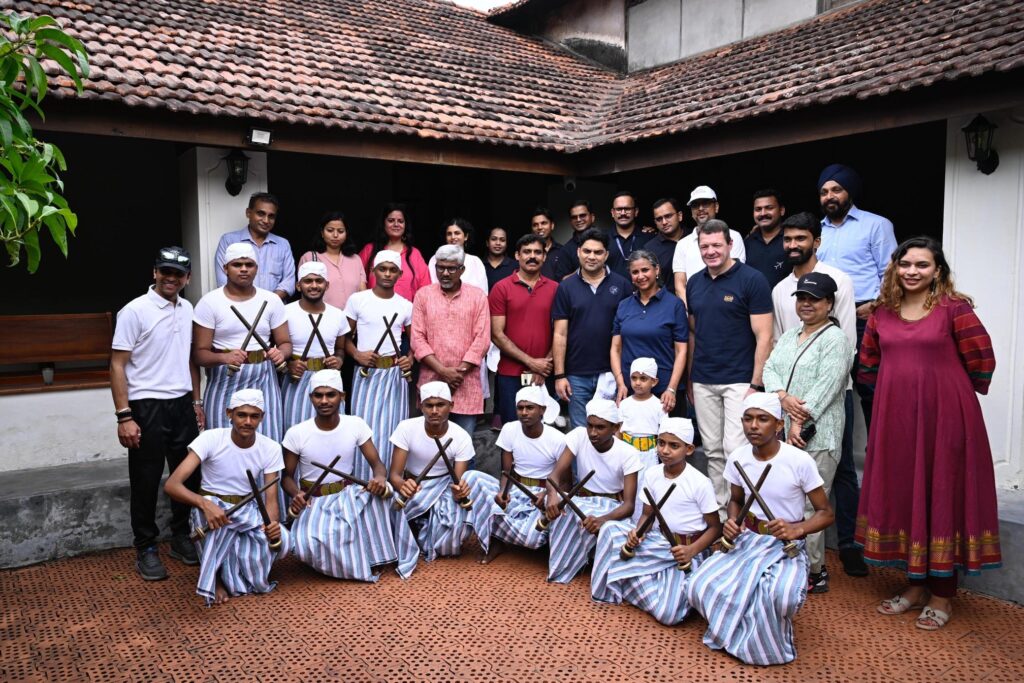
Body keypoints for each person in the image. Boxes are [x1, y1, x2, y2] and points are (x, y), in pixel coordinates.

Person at [856, 237, 1000, 631]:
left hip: (946, 418)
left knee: (941, 493)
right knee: (907, 494)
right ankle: (916, 587)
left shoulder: (954, 310)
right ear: (895, 268)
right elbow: (867, 362)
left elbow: (981, 359)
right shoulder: (881, 313)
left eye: (922, 264)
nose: (913, 271)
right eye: (906, 264)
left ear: (938, 271)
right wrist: (896, 391)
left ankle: (942, 595)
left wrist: (943, 391)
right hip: (896, 420)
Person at [687, 392, 834, 666]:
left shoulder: (799, 461)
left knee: (781, 596)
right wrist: (733, 521)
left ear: (779, 425)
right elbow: (736, 500)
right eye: (748, 419)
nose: (753, 426)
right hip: (747, 540)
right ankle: (735, 631)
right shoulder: (738, 458)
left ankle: (767, 643)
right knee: (698, 584)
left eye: (763, 419)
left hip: (784, 547)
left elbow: (826, 514)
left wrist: (797, 530)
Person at [772, 211, 866, 577]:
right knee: (796, 478)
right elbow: (780, 349)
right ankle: (802, 557)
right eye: (788, 239)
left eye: (801, 239)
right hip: (790, 401)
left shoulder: (839, 280)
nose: (794, 245)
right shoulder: (781, 289)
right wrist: (782, 397)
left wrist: (800, 412)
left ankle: (847, 546)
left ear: (817, 240)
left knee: (836, 471)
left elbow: (845, 345)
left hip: (828, 397)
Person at [110, 246, 205, 580]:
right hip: (146, 406)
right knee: (146, 479)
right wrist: (124, 415)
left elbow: (189, 360)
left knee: (188, 474)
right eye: (166, 271)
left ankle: (181, 536)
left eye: (178, 273)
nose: (171, 278)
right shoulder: (134, 311)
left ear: (187, 278)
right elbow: (117, 364)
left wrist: (196, 403)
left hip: (181, 403)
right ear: (154, 272)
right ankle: (146, 547)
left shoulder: (188, 307)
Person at [763, 273, 854, 593]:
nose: (806, 304)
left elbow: (828, 387)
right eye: (802, 298)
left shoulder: (836, 339)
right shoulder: (790, 335)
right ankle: (790, 560)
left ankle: (814, 570)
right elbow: (769, 369)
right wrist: (783, 397)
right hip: (787, 430)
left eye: (814, 299)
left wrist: (800, 418)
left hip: (819, 434)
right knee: (788, 500)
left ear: (829, 304)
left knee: (812, 505)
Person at [282, 370, 416, 581]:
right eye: (318, 395)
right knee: (305, 544)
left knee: (385, 495)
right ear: (311, 398)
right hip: (314, 500)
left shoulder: (355, 424)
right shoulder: (297, 433)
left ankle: (376, 555)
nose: (324, 401)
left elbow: (378, 465)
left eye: (330, 395)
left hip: (347, 495)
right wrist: (296, 493)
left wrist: (380, 478)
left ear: (342, 397)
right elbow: (286, 478)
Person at [164, 389, 290, 606]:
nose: (248, 421)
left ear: (262, 417)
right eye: (242, 415)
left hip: (245, 509)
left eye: (254, 416)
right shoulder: (210, 438)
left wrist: (272, 525)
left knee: (283, 540)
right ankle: (214, 579)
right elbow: (172, 485)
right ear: (229, 413)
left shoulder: (270, 447)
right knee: (213, 524)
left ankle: (230, 568)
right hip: (211, 506)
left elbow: (270, 498)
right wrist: (204, 504)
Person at [591, 417, 720, 625]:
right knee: (610, 530)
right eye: (661, 443)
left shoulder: (700, 483)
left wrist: (692, 550)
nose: (665, 450)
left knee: (668, 615)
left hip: (684, 551)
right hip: (655, 542)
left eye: (674, 446)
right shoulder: (651, 474)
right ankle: (634, 580)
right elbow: (646, 515)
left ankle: (626, 581)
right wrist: (638, 532)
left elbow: (715, 528)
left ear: (689, 449)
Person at [686, 220, 773, 511]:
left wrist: (756, 384)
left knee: (736, 449)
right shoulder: (694, 282)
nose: (710, 251)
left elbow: (765, 336)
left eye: (716, 245)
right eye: (704, 246)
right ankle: (721, 515)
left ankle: (745, 514)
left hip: (740, 380)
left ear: (730, 245)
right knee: (712, 451)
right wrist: (690, 379)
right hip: (704, 378)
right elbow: (694, 333)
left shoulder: (752, 279)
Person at [815, 163, 897, 433]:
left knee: (869, 386)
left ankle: (879, 455)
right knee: (827, 387)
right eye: (824, 191)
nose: (830, 196)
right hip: (824, 319)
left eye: (836, 190)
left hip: (864, 317)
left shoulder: (876, 225)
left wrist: (875, 306)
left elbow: (891, 273)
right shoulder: (817, 232)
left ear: (850, 192)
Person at [388, 382, 496, 566]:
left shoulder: (461, 436)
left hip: (443, 486)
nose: (434, 411)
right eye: (429, 406)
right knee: (388, 505)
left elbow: (457, 481)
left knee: (453, 536)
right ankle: (419, 523)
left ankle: (423, 525)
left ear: (451, 406)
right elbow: (394, 475)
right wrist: (402, 485)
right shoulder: (406, 428)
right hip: (414, 484)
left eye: (440, 405)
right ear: (421, 406)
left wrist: (458, 492)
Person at [193, 242, 290, 442]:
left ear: (256, 268)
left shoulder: (271, 300)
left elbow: (285, 343)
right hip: (225, 379)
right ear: (225, 268)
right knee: (222, 443)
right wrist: (224, 357)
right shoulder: (210, 302)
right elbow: (199, 354)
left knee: (267, 440)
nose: (244, 269)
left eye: (249, 264)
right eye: (237, 264)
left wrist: (281, 353)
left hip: (264, 378)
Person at [545, 398, 643, 584]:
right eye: (589, 425)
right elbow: (554, 476)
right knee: (558, 503)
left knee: (608, 529)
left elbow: (629, 506)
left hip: (611, 507)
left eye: (600, 427)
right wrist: (551, 495)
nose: (592, 432)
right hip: (581, 502)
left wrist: (602, 520)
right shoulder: (579, 436)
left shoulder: (628, 453)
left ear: (616, 428)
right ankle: (564, 566)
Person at [344, 251, 414, 480]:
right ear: (373, 271)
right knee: (365, 430)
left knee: (393, 430)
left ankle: (391, 487)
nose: (387, 273)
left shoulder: (405, 305)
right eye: (382, 269)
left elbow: (415, 342)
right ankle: (364, 484)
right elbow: (343, 337)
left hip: (394, 376)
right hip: (367, 374)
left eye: (392, 270)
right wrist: (357, 354)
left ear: (400, 274)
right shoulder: (358, 300)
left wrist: (410, 358)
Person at [551, 228, 630, 428]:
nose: (592, 256)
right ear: (578, 252)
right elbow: (560, 334)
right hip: (576, 374)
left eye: (597, 252)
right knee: (580, 433)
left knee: (611, 433)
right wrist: (560, 376)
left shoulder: (622, 285)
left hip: (611, 373)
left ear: (606, 255)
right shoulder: (566, 287)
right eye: (587, 251)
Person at [477, 385, 565, 564]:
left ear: (542, 410)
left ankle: (500, 531)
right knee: (472, 478)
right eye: (520, 408)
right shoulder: (510, 429)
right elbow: (506, 471)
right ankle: (497, 540)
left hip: (541, 496)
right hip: (516, 489)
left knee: (533, 539)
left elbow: (566, 483)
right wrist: (503, 493)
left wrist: (548, 494)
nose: (524, 412)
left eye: (530, 408)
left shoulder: (558, 439)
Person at [412, 245, 490, 434]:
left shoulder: (477, 296)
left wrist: (458, 373)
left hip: (465, 382)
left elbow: (482, 339)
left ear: (462, 270)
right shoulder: (423, 295)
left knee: (463, 446)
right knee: (431, 442)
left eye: (451, 268)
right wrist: (442, 371)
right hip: (431, 381)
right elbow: (417, 339)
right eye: (440, 268)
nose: (445, 273)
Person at [489, 234, 558, 424]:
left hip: (545, 373)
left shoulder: (555, 289)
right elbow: (496, 334)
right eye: (527, 252)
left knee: (543, 433)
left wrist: (543, 366)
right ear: (517, 256)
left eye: (538, 252)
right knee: (512, 431)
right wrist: (531, 362)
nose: (532, 256)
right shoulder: (501, 288)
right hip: (510, 374)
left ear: (545, 257)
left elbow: (561, 332)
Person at [611, 250, 687, 415]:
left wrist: (672, 389)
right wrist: (621, 384)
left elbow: (681, 351)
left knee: (670, 439)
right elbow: (615, 349)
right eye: (635, 272)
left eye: (645, 270)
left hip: (665, 392)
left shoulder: (674, 304)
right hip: (631, 391)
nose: (640, 276)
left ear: (657, 270)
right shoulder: (624, 305)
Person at [280, 261, 350, 432]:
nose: (314, 285)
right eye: (308, 281)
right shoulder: (284, 312)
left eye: (319, 281)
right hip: (296, 379)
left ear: (327, 285)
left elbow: (340, 349)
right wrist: (288, 365)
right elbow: (276, 347)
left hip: (329, 379)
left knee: (331, 431)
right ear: (298, 285)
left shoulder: (338, 315)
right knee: (295, 430)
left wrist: (339, 360)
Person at [672, 186, 746, 302]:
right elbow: (679, 286)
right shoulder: (682, 244)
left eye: (705, 203)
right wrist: (692, 311)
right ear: (691, 212)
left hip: (728, 306)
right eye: (695, 205)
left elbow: (736, 276)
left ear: (716, 207)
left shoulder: (733, 236)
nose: (700, 208)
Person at [214, 192, 294, 300]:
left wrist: (267, 303)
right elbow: (222, 280)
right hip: (237, 308)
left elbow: (289, 282)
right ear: (248, 213)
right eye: (261, 214)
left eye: (271, 216)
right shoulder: (228, 241)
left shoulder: (283, 244)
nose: (266, 220)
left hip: (273, 310)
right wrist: (248, 304)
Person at [358, 203, 431, 302]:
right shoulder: (369, 250)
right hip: (373, 313)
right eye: (391, 220)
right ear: (383, 223)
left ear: (405, 225)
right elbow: (357, 280)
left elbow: (425, 289)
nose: (396, 224)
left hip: (407, 315)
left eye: (400, 221)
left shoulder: (414, 254)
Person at [297, 210, 366, 310]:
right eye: (330, 230)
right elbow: (304, 291)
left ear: (346, 233)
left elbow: (362, 292)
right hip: (321, 318)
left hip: (352, 320)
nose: (335, 235)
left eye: (340, 231)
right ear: (322, 233)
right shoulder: (310, 258)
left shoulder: (355, 259)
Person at [618, 358, 667, 472]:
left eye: (643, 378)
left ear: (654, 382)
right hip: (627, 453)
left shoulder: (659, 405)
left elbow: (663, 432)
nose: (638, 382)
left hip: (650, 455)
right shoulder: (624, 404)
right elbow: (619, 430)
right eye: (634, 378)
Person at [744, 189, 792, 288]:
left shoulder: (791, 240)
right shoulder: (747, 242)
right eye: (758, 209)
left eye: (769, 208)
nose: (763, 213)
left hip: (785, 301)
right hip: (753, 302)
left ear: (782, 210)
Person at [427, 218, 489, 292]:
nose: (453, 237)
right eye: (449, 234)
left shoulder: (475, 262)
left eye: (457, 233)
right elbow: (431, 288)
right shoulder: (436, 259)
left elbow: (483, 292)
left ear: (466, 237)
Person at [606, 191, 652, 279]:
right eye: (619, 209)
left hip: (642, 291)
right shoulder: (602, 239)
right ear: (612, 212)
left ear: (636, 211)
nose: (623, 213)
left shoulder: (649, 238)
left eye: (627, 209)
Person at [647, 198, 686, 296]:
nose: (664, 222)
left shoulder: (695, 237)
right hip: (668, 306)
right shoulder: (649, 249)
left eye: (668, 216)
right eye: (659, 219)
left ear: (680, 216)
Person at [553, 199, 598, 280]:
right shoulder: (566, 250)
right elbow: (561, 281)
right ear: (570, 222)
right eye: (574, 217)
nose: (578, 220)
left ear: (592, 217)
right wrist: (582, 271)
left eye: (582, 215)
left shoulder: (608, 240)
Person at [530, 207, 565, 280]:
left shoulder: (562, 251)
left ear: (552, 225)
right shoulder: (528, 252)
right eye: (535, 225)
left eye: (543, 223)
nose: (539, 227)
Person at [483, 226, 517, 291]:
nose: (498, 243)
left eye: (502, 240)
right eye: (494, 239)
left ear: (506, 244)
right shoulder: (479, 265)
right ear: (487, 243)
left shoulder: (515, 266)